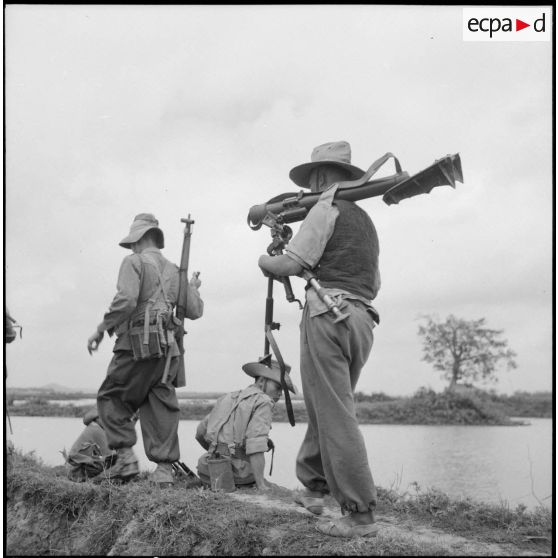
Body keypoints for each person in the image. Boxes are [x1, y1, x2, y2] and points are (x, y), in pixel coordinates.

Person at [258, 141, 381, 538]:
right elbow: (372, 283)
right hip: (361, 320)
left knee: (334, 412)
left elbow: (290, 264)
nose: (311, 184)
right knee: (327, 404)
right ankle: (314, 487)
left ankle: (359, 515)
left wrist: (266, 260)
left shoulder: (323, 207)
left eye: (313, 178)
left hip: (327, 314)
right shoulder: (364, 221)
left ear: (323, 177)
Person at [87, 213, 203, 486]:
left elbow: (126, 300)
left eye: (132, 244)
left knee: (112, 396)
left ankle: (126, 458)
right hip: (167, 351)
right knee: (160, 403)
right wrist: (193, 289)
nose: (131, 249)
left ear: (139, 239)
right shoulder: (176, 271)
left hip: (135, 345)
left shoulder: (134, 262)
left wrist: (102, 328)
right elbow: (195, 310)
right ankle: (164, 470)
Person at [195, 360, 296, 490]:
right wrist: (261, 485)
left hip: (207, 470)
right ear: (261, 381)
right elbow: (256, 444)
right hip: (237, 474)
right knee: (273, 488)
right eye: (278, 387)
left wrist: (218, 453)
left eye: (282, 389)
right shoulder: (264, 401)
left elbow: (200, 432)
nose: (280, 394)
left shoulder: (229, 397)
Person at [64, 406, 118, 482]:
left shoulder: (94, 426)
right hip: (76, 469)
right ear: (98, 419)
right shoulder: (96, 429)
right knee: (114, 458)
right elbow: (110, 453)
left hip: (75, 466)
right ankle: (101, 480)